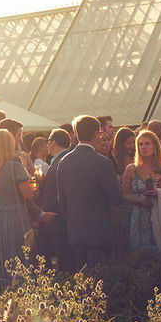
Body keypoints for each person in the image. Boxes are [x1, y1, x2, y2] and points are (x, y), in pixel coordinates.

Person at [57, 115, 122, 269]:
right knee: (100, 278)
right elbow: (116, 198)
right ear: (96, 134)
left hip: (76, 230)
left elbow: (62, 200)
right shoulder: (103, 163)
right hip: (99, 231)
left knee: (83, 279)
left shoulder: (64, 162)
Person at [0, 129, 42, 281]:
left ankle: (0, 293)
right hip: (14, 216)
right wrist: (37, 188)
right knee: (19, 256)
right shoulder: (14, 167)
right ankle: (20, 293)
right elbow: (28, 195)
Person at [121, 129, 161, 252]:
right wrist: (140, 200)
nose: (143, 147)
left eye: (147, 143)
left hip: (160, 215)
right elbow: (124, 195)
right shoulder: (132, 169)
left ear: (155, 146)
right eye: (140, 144)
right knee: (141, 253)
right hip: (139, 216)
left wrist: (160, 190)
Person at [38, 128, 71, 267]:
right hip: (56, 219)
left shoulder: (62, 161)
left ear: (53, 142)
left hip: (56, 218)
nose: (47, 145)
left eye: (48, 141)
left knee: (63, 260)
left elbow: (64, 192)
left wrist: (46, 211)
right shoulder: (58, 160)